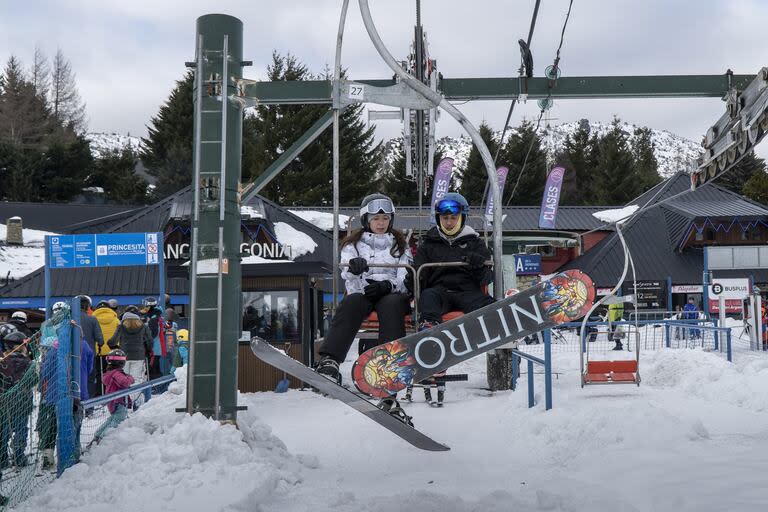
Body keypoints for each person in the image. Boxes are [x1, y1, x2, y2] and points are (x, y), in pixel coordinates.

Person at [316, 193, 411, 384]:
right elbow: (348, 279)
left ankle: (390, 363)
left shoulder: (400, 245)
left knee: (392, 304)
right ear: (366, 219)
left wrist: (388, 285)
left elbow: (406, 275)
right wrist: (354, 269)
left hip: (391, 294)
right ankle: (331, 359)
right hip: (364, 292)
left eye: (385, 218)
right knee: (352, 301)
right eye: (376, 218)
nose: (381, 223)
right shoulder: (353, 244)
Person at [407, 192, 494, 329]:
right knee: (428, 296)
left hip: (467, 291)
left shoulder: (475, 243)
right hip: (439, 292)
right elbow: (419, 277)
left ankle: (498, 321)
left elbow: (487, 278)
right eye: (445, 218)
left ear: (462, 218)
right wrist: (412, 277)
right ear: (438, 218)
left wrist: (478, 266)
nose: (448, 223)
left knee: (485, 303)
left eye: (454, 218)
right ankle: (429, 326)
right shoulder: (429, 244)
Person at [0, 331, 36, 469]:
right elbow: (33, 380)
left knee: (3, 430)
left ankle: (2, 459)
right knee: (21, 429)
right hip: (22, 401)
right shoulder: (28, 363)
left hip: (4, 403)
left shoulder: (3, 362)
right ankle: (19, 457)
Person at [92, 349, 134, 444]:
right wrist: (130, 378)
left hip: (113, 402)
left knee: (112, 419)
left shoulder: (110, 373)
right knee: (117, 421)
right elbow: (125, 382)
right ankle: (103, 439)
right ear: (121, 362)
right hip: (118, 402)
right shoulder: (116, 373)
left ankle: (98, 435)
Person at [107, 312, 152, 389]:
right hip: (139, 356)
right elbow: (149, 341)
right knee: (136, 379)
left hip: (124, 357)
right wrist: (148, 350)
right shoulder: (143, 327)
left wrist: (113, 346)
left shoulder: (121, 327)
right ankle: (136, 399)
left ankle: (126, 399)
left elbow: (113, 341)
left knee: (124, 379)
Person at [75, 295, 103, 397]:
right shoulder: (92, 319)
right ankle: (89, 404)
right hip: (89, 353)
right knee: (89, 379)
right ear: (87, 307)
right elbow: (100, 339)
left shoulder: (70, 320)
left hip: (73, 354)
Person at [93, 300, 120, 396]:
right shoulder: (116, 320)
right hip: (113, 351)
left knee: (99, 374)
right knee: (113, 373)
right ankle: (113, 392)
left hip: (98, 352)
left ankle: (100, 393)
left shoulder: (93, 319)